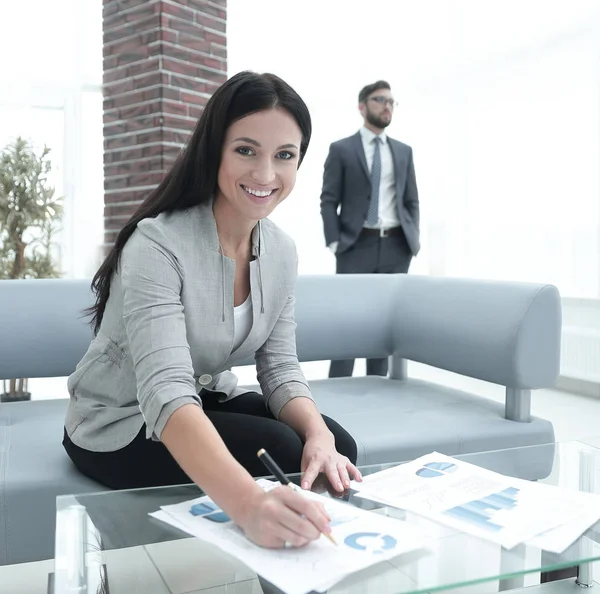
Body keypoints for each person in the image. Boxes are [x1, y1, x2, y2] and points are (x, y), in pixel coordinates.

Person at [63, 71, 361, 550]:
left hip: (203, 397)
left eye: (284, 155)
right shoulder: (158, 244)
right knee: (286, 452)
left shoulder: (281, 251)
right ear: (215, 150)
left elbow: (280, 367)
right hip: (118, 422)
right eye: (246, 150)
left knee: (332, 449)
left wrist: (319, 432)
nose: (266, 174)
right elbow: (165, 391)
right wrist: (247, 506)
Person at [320, 80, 421, 379]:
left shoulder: (403, 152)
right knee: (348, 322)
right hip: (355, 244)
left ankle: (377, 387)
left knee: (383, 325)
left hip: (396, 246)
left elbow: (411, 199)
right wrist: (335, 242)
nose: (387, 106)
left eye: (391, 101)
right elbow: (328, 199)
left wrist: (412, 240)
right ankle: (338, 390)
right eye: (380, 100)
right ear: (362, 106)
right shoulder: (341, 149)